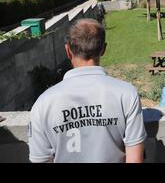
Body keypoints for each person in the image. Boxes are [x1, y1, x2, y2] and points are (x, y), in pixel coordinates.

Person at [28, 19, 146, 163]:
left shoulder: (43, 103)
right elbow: (135, 159)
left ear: (68, 50)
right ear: (103, 49)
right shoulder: (127, 94)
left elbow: (40, 159)